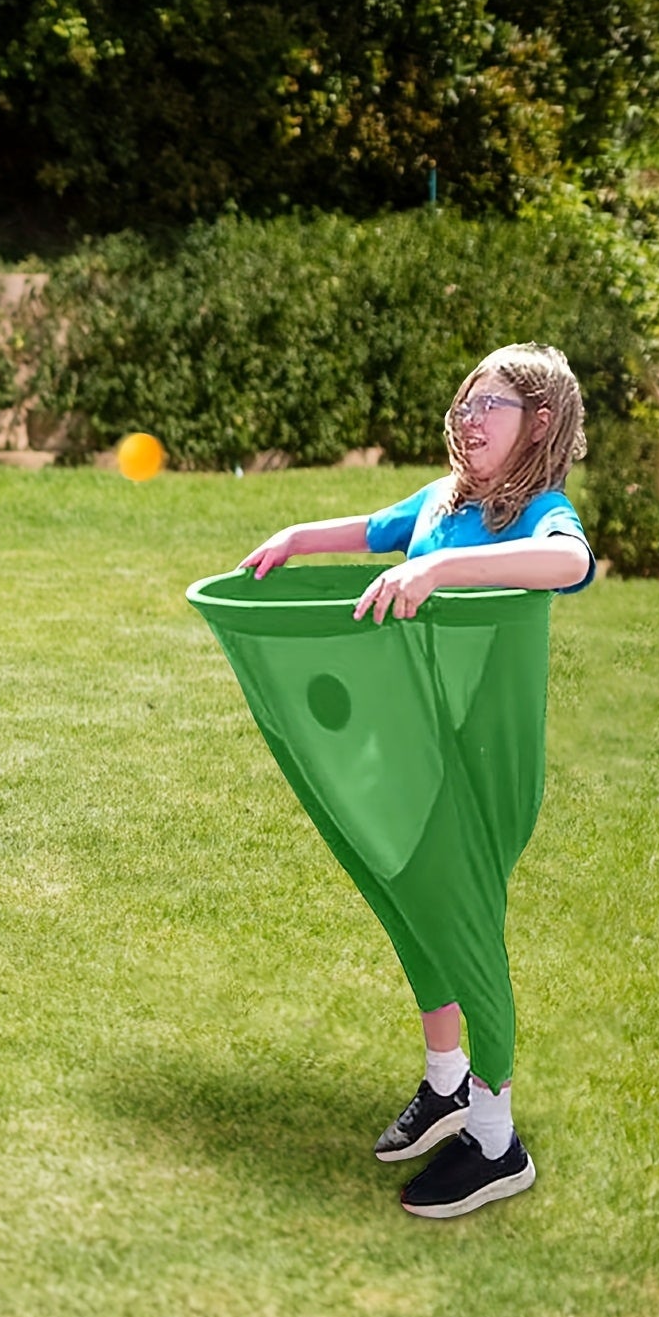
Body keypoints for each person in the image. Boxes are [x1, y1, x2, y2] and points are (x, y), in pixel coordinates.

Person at [238, 342, 594, 1218]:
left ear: (540, 423)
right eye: (465, 403)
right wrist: (296, 539)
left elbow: (569, 565)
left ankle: (497, 1142)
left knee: (465, 931)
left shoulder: (538, 513)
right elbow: (372, 529)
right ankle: (446, 1085)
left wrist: (437, 570)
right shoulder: (443, 500)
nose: (469, 419)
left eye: (491, 406)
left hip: (481, 767)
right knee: (411, 915)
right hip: (411, 752)